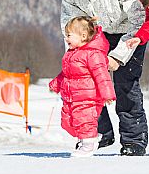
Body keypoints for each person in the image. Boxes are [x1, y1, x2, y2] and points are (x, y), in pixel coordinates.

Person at [58, 0, 148, 156]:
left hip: (130, 30)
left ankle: (134, 140)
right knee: (85, 82)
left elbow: (139, 19)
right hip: (96, 32)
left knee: (124, 83)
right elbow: (71, 24)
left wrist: (118, 56)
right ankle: (99, 132)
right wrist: (73, 59)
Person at [49, 16, 116, 157]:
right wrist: (56, 84)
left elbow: (102, 75)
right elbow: (66, 73)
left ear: (83, 36)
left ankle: (88, 145)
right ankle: (90, 137)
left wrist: (108, 94)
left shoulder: (93, 54)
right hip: (71, 97)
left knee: (84, 121)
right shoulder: (71, 54)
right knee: (67, 122)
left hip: (88, 98)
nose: (66, 39)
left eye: (69, 35)